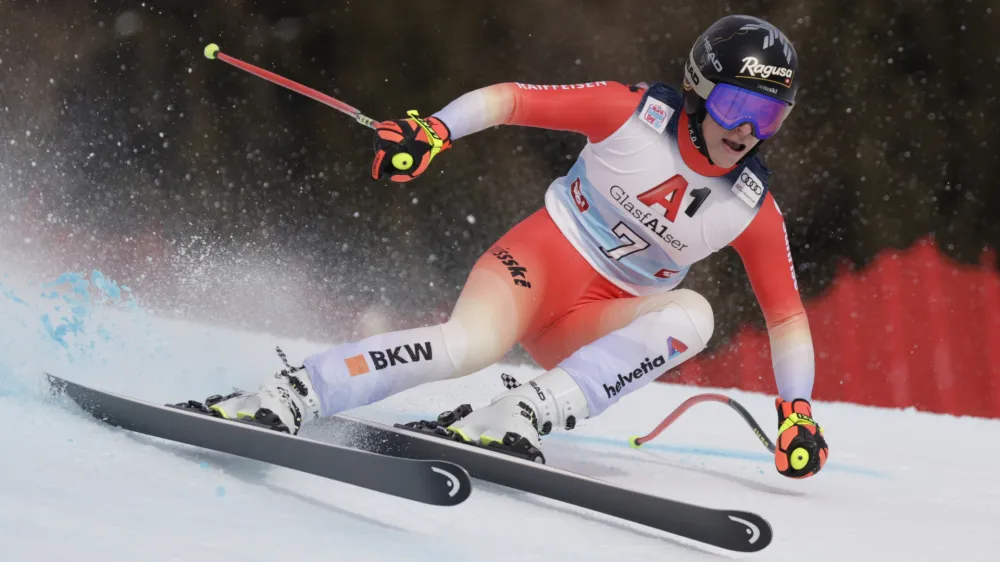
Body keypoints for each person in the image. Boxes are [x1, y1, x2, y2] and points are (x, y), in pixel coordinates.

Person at [188, 14, 829, 479]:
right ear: (698, 88)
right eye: (739, 105)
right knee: (466, 347)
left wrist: (796, 410)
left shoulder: (751, 207)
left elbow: (786, 316)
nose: (747, 132)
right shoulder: (630, 113)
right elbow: (512, 100)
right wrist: (435, 131)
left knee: (695, 316)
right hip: (539, 263)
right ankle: (292, 392)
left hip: (590, 322)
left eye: (769, 116)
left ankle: (523, 410)